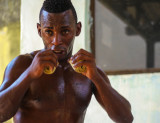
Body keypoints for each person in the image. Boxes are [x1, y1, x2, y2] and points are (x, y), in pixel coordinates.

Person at [0, 0, 133, 122]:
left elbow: (126, 118)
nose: (56, 41)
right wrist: (29, 74)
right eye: (49, 32)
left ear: (78, 29)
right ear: (40, 31)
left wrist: (96, 78)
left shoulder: (88, 71)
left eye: (65, 31)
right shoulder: (22, 65)